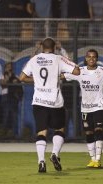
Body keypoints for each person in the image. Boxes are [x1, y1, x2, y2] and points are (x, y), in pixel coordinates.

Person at [19, 38, 80, 173]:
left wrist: (36, 80)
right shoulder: (58, 59)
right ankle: (54, 154)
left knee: (41, 132)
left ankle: (41, 162)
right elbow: (76, 71)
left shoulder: (34, 59)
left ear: (41, 47)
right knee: (60, 129)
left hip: (39, 101)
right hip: (55, 102)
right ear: (54, 47)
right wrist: (61, 75)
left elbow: (22, 77)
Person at [0, 62, 23, 138]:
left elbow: (19, 86)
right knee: (5, 115)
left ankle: (14, 134)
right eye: (8, 67)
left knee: (14, 116)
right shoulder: (2, 76)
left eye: (10, 67)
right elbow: (3, 85)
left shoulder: (15, 76)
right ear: (5, 67)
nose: (9, 68)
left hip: (13, 98)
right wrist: (8, 78)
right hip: (5, 97)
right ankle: (4, 134)